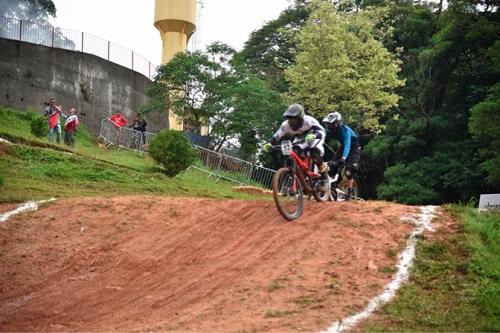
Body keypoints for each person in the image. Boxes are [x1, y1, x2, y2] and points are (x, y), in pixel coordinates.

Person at [263, 103, 328, 176]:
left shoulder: (309, 121)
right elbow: (277, 135)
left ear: (300, 118)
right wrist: (270, 143)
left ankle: (323, 172)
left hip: (315, 136)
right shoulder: (285, 125)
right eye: (289, 119)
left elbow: (322, 132)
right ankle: (301, 174)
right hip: (300, 138)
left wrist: (314, 135)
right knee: (295, 150)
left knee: (314, 152)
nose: (291, 122)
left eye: (294, 119)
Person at [322, 111, 362, 200]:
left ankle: (350, 193)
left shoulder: (345, 130)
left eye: (331, 124)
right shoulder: (329, 131)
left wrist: (343, 158)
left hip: (354, 148)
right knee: (331, 166)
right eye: (328, 124)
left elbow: (348, 144)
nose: (329, 126)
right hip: (343, 147)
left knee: (349, 171)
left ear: (337, 123)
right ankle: (333, 186)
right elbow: (321, 135)